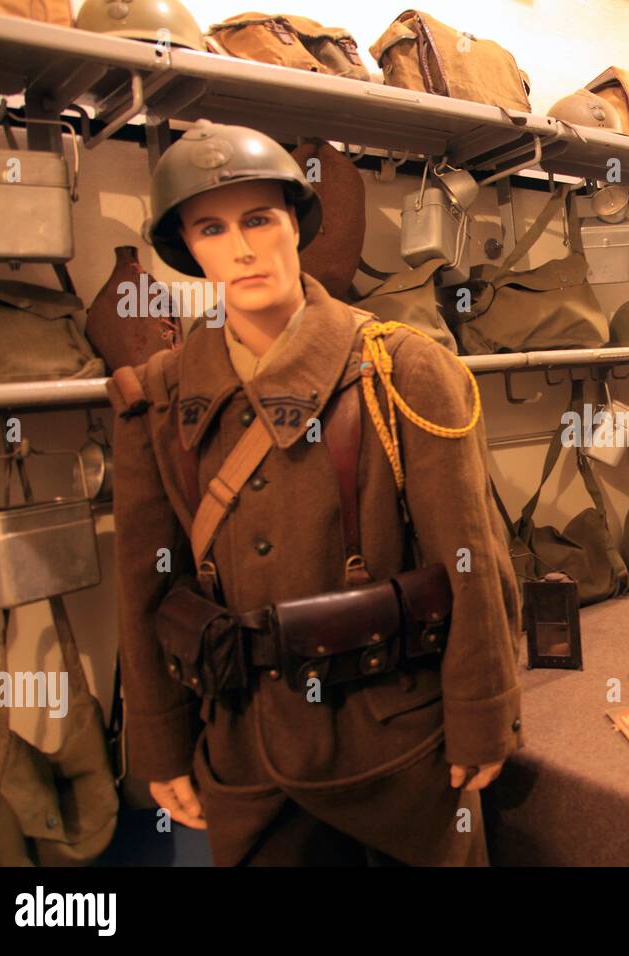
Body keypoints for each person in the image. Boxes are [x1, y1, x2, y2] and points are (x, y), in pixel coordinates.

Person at [108, 120, 522, 865]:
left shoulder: (402, 368)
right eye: (211, 227)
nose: (241, 248)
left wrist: (482, 714)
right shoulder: (160, 397)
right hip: (245, 755)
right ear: (187, 249)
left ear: (296, 223)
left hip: (396, 745)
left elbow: (471, 560)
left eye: (260, 219)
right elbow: (145, 581)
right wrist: (160, 742)